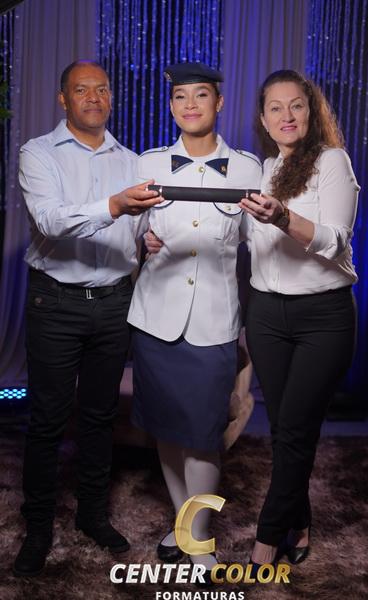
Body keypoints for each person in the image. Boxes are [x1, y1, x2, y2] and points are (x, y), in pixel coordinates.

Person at [13, 60, 160, 577]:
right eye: (82, 89)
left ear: (111, 98)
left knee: (100, 417)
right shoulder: (38, 153)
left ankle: (92, 515)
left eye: (102, 89)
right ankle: (37, 528)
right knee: (48, 420)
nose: (93, 97)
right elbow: (51, 221)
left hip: (115, 302)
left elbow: (140, 230)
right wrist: (115, 206)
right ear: (63, 99)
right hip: (55, 304)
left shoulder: (133, 161)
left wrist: (148, 237)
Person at [127, 62, 262, 581]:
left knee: (203, 434)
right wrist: (142, 238)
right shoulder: (149, 162)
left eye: (200, 95)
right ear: (171, 106)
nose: (189, 105)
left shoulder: (248, 168)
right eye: (180, 96)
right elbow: (129, 228)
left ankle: (197, 537)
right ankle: (185, 526)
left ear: (218, 103)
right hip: (155, 318)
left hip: (213, 321)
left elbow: (261, 242)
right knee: (167, 430)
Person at [238, 69, 359, 568]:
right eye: (276, 108)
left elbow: (336, 241)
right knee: (285, 428)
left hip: (322, 318)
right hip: (267, 314)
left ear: (311, 113)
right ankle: (300, 522)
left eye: (296, 106)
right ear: (263, 119)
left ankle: (266, 541)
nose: (286, 116)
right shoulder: (264, 169)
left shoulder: (331, 161)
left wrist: (284, 217)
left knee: (294, 429)